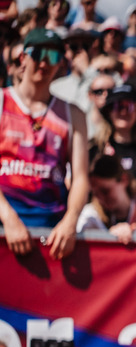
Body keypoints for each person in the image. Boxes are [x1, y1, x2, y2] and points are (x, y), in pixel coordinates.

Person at [0, 28, 89, 260]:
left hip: (51, 231)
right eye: (39, 53)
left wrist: (71, 221)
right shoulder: (2, 102)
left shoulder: (73, 114)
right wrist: (8, 218)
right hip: (4, 225)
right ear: (23, 58)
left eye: (54, 57)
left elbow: (80, 177)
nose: (45, 63)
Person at [77, 152, 136, 248]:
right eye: (95, 194)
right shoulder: (90, 217)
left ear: (124, 180)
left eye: (105, 191)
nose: (100, 199)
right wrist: (109, 237)